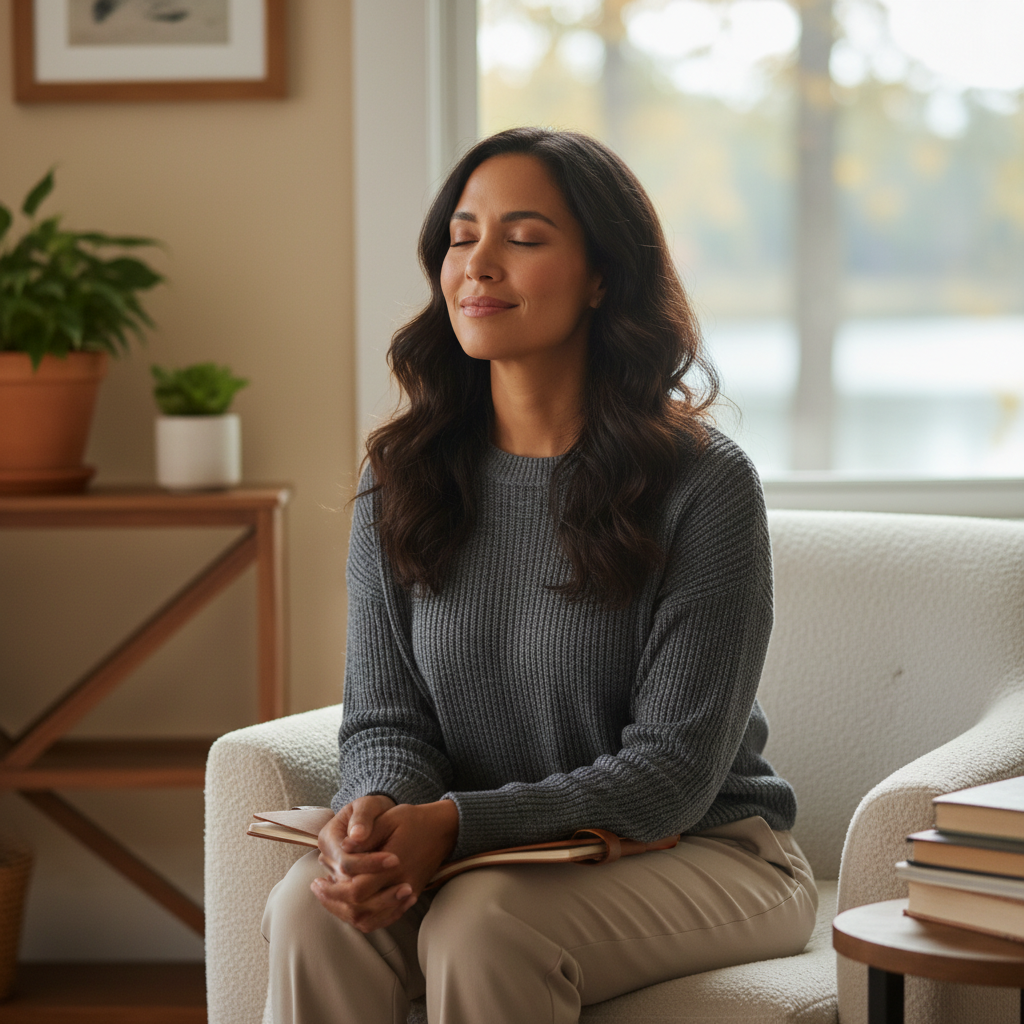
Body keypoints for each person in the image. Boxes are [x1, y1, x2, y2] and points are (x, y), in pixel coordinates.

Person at [261, 127, 817, 1024]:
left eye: (522, 239)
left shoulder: (704, 485)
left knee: (483, 927)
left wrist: (451, 827)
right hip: (489, 857)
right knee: (311, 910)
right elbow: (387, 719)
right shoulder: (401, 475)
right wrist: (374, 819)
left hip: (707, 853)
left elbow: (670, 775)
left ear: (602, 277)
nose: (477, 266)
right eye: (460, 236)